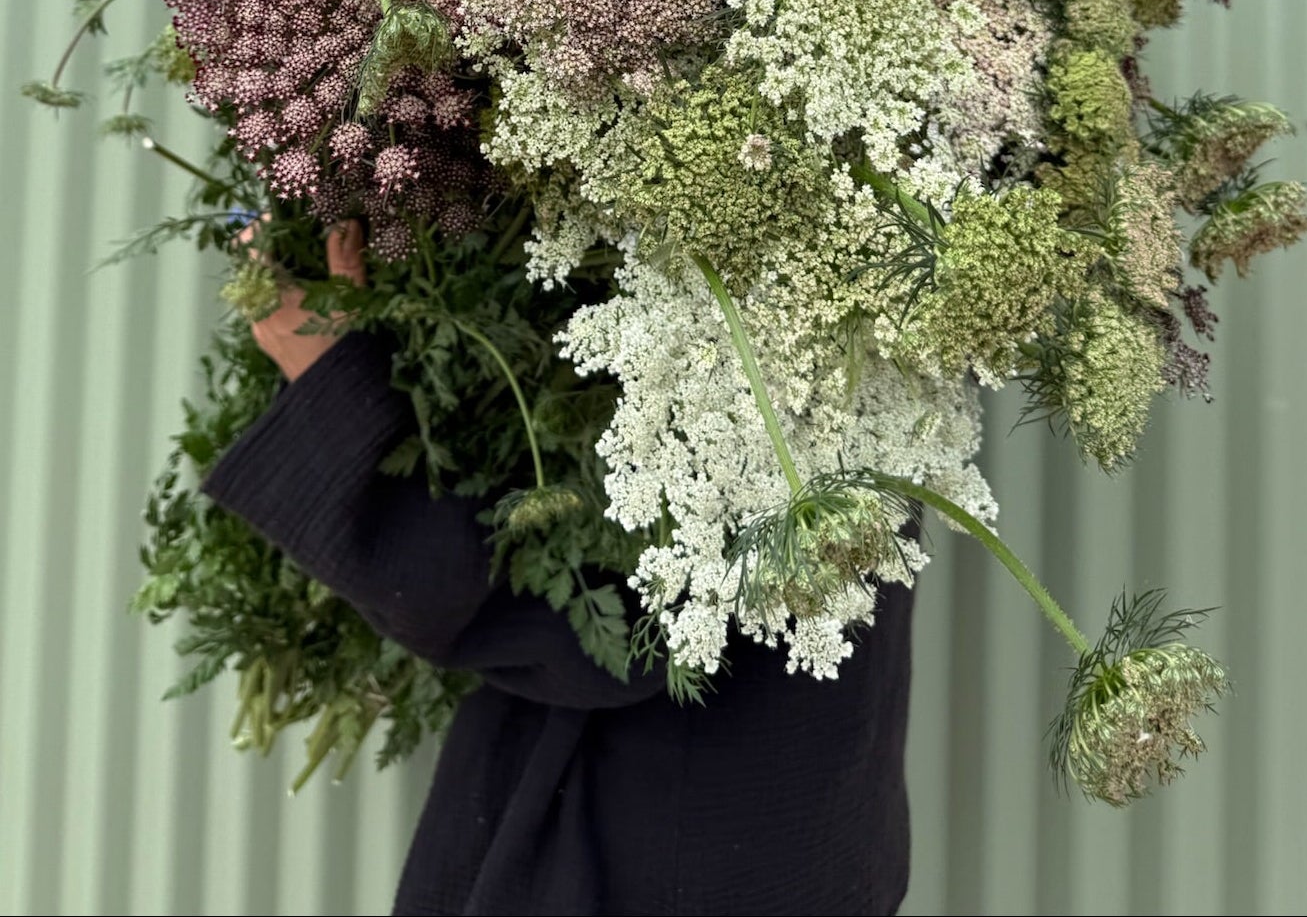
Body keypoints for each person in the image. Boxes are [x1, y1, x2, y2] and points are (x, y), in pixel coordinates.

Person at [202, 222, 916, 917]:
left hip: (661, 858)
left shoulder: (773, 297)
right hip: (769, 837)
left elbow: (614, 629)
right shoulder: (870, 266)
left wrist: (335, 399)